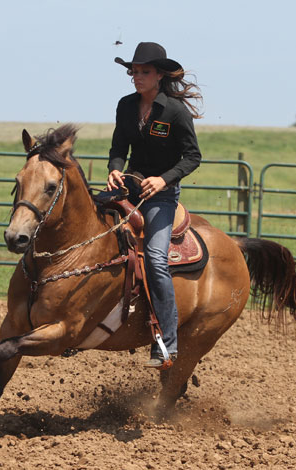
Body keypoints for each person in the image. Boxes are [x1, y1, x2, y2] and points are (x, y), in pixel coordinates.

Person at [106, 41, 202, 368]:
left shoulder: (175, 111)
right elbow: (118, 147)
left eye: (144, 72)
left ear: (159, 75)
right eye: (134, 71)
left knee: (156, 261)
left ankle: (167, 344)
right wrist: (114, 169)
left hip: (160, 196)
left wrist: (164, 179)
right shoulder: (126, 105)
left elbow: (192, 157)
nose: (137, 77)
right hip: (128, 187)